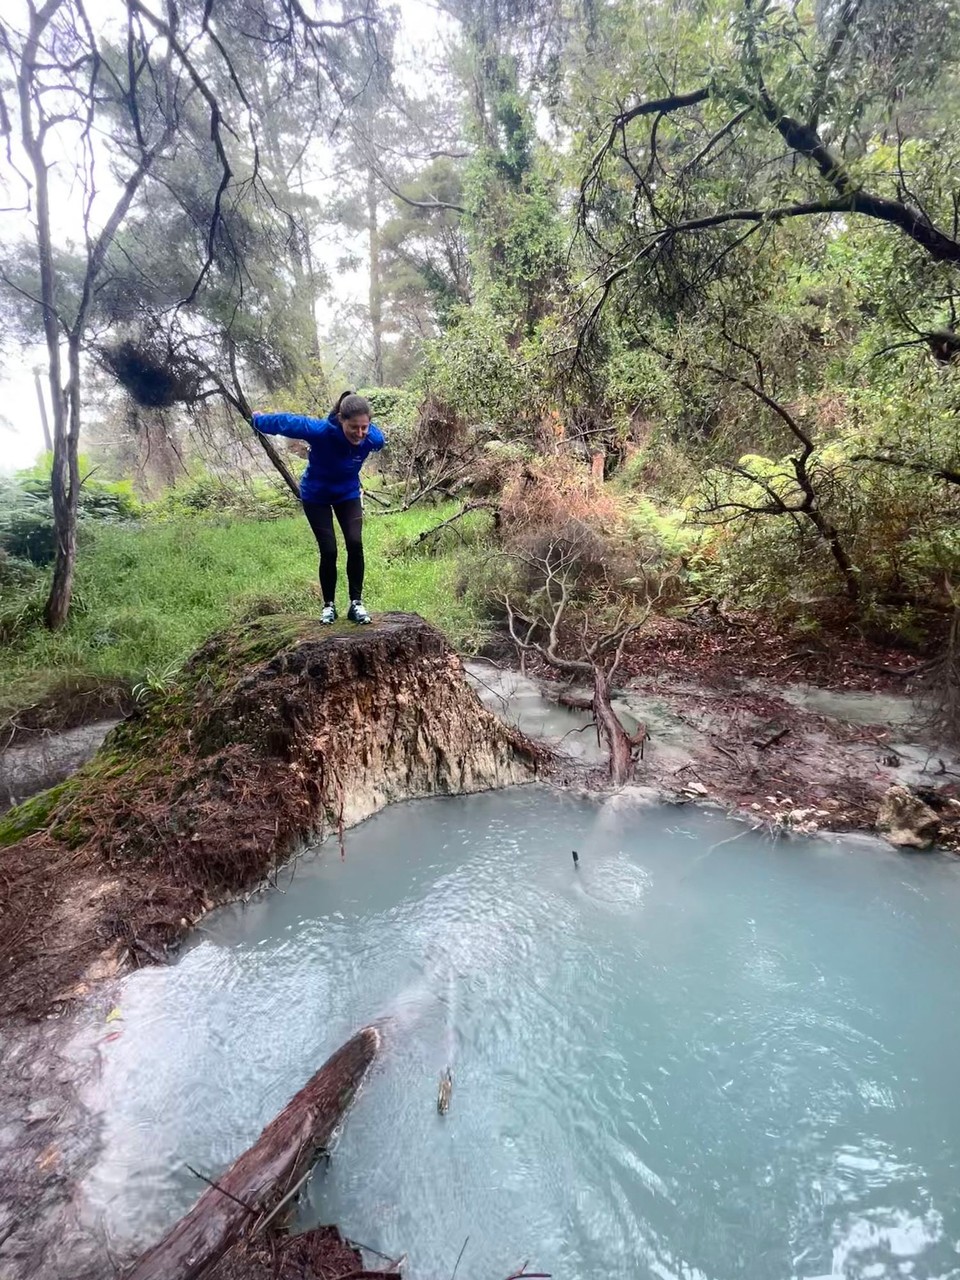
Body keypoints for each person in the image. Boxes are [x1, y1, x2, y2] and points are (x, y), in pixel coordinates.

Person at [252, 392, 386, 624]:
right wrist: (257, 420)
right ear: (341, 419)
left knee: (355, 543)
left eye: (364, 427)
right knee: (329, 550)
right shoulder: (321, 431)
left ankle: (356, 604)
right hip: (316, 496)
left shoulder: (373, 439)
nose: (359, 433)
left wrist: (367, 435)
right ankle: (329, 606)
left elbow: (378, 440)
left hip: (347, 494)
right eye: (354, 427)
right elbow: (288, 423)